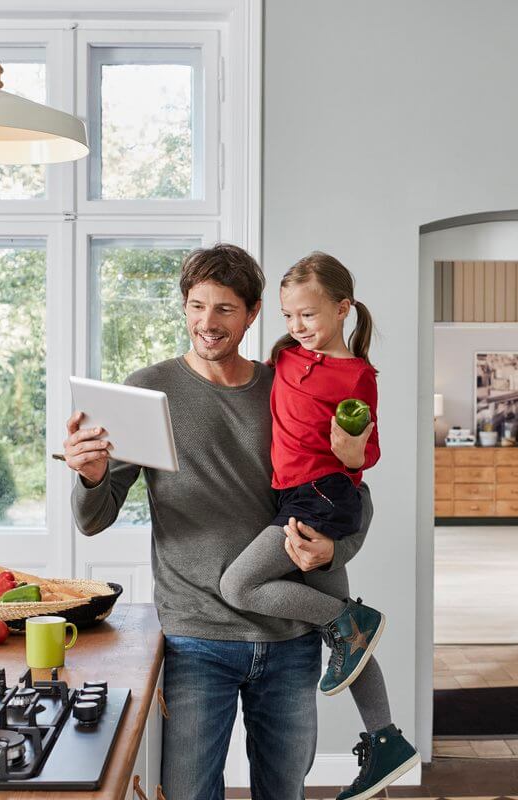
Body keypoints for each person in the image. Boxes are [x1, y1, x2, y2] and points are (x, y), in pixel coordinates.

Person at [65, 244, 379, 800]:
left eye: (225, 309)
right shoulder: (147, 389)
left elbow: (351, 490)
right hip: (196, 637)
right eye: (196, 305)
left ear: (253, 312)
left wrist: (336, 552)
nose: (207, 322)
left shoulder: (286, 384)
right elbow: (95, 519)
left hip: (289, 636)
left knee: (283, 793)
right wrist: (91, 477)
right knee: (189, 792)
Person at [220, 252, 419, 800]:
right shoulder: (285, 355)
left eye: (308, 315)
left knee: (238, 585)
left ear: (342, 308)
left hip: (322, 496)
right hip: (296, 495)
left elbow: (366, 452)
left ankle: (349, 619)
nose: (298, 326)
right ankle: (386, 740)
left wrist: (352, 452)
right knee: (349, 642)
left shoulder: (356, 375)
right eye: (288, 316)